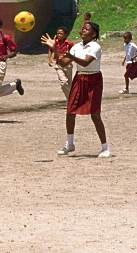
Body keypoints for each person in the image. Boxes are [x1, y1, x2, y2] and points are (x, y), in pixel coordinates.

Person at [43, 22, 110, 158]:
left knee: (95, 114)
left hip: (93, 79)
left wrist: (71, 56)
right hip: (79, 78)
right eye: (82, 29)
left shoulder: (95, 47)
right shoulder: (77, 46)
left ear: (94, 34)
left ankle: (105, 148)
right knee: (70, 111)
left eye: (87, 29)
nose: (83, 30)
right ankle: (70, 144)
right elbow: (62, 63)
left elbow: (85, 62)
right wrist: (55, 49)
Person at [46, 26, 74, 99]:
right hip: (58, 65)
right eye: (58, 33)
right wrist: (49, 59)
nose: (59, 35)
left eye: (61, 33)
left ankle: (73, 98)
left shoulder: (69, 43)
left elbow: (74, 52)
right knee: (63, 82)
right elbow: (50, 50)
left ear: (65, 35)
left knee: (70, 83)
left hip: (68, 65)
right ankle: (70, 99)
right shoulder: (55, 42)